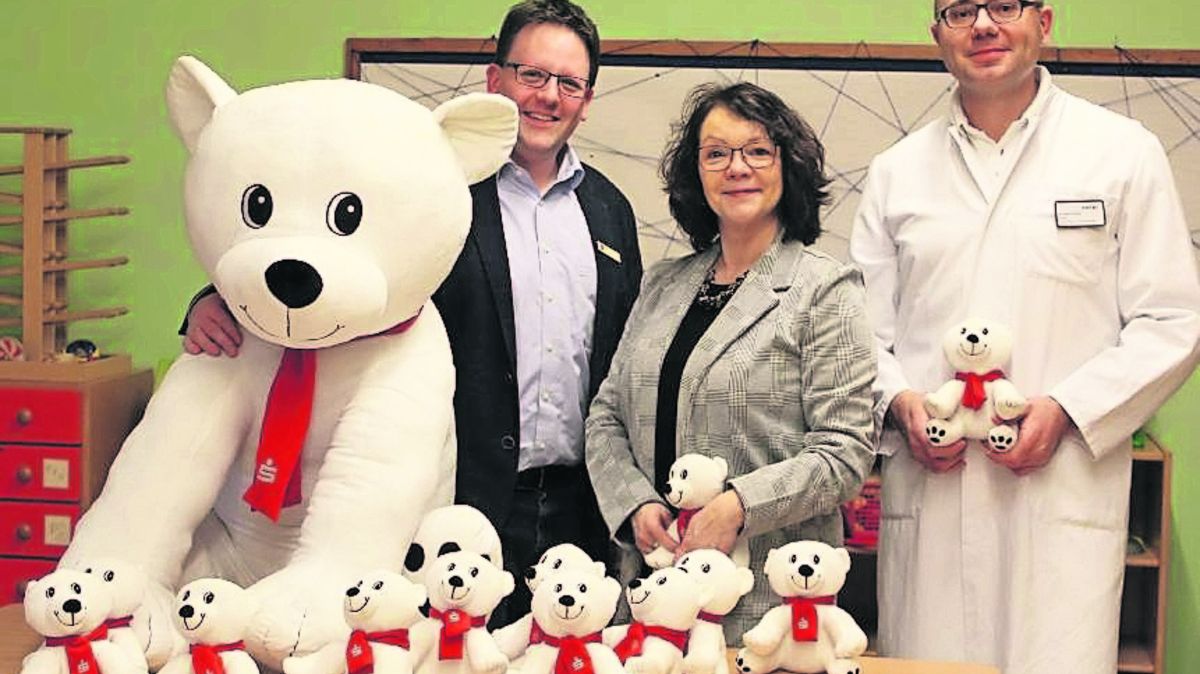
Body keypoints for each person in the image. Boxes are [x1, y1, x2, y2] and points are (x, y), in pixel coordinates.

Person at [179, 0, 643, 626]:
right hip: (456, 502)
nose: (547, 96)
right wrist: (210, 301)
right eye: (531, 74)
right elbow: (334, 275)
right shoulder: (432, 191)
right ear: (494, 80)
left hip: (578, 508)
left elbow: (624, 349)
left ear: (587, 101)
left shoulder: (609, 210)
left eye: (569, 83)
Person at [848, 2, 1200, 673]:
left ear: (1044, 22)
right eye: (959, 11)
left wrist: (1068, 409)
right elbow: (860, 333)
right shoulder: (897, 171)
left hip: (1061, 496)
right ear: (937, 35)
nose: (982, 25)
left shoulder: (1121, 152)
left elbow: (1173, 320)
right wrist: (900, 405)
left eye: (1003, 6)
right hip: (934, 500)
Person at [585, 81, 876, 639]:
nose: (736, 167)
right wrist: (634, 505)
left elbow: (844, 453)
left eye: (757, 151)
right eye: (716, 153)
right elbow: (606, 417)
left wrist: (738, 506)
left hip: (765, 607)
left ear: (787, 165)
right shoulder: (663, 285)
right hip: (648, 598)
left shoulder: (825, 290)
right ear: (696, 173)